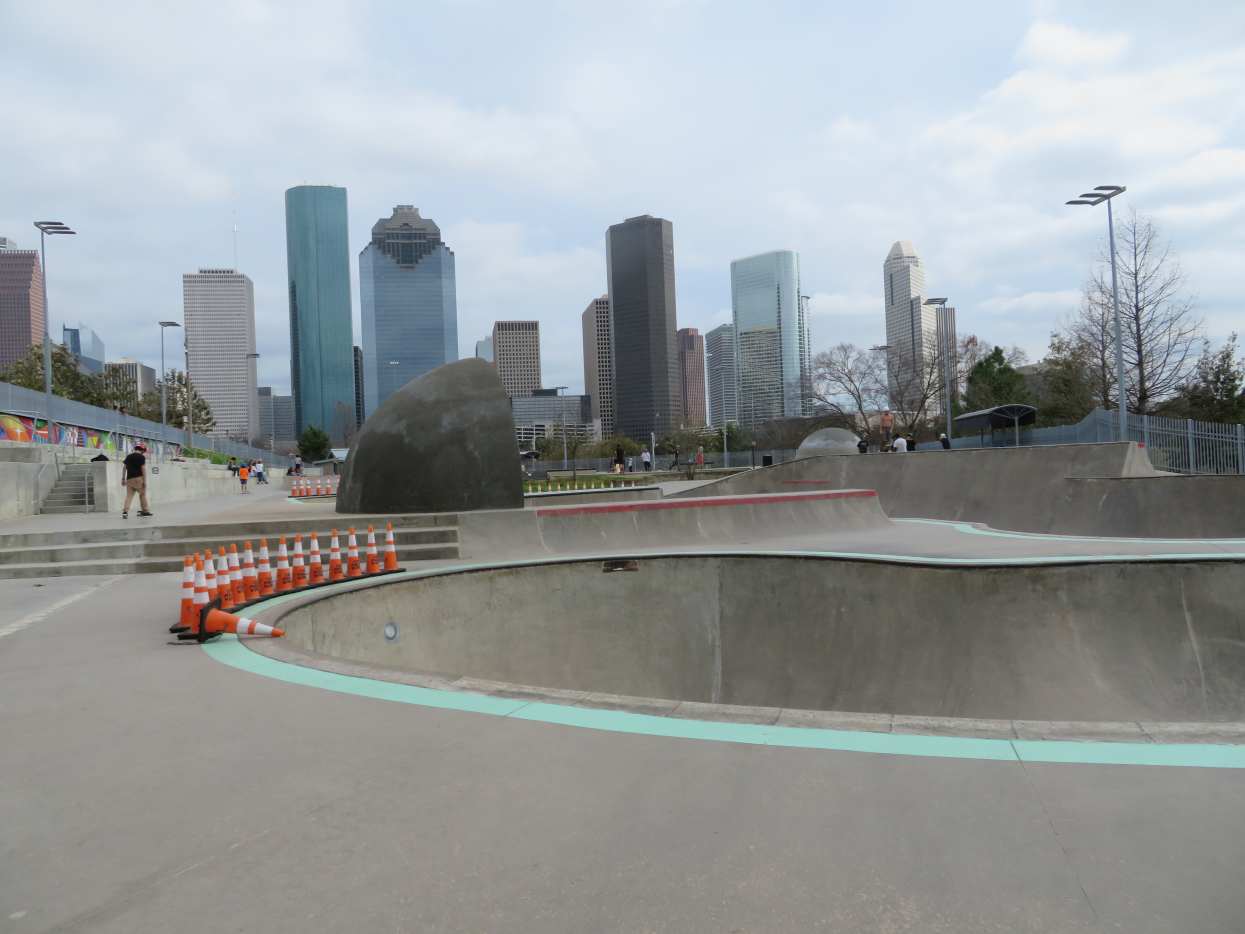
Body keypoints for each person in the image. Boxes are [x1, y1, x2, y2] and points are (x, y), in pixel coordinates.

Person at [121, 442, 153, 518]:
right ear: (142, 450)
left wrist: (123, 478)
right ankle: (145, 511)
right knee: (142, 495)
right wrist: (145, 481)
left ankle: (125, 512)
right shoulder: (141, 457)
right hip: (139, 479)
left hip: (129, 479)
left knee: (129, 496)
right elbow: (143, 468)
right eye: (143, 451)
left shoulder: (128, 456)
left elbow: (124, 467)